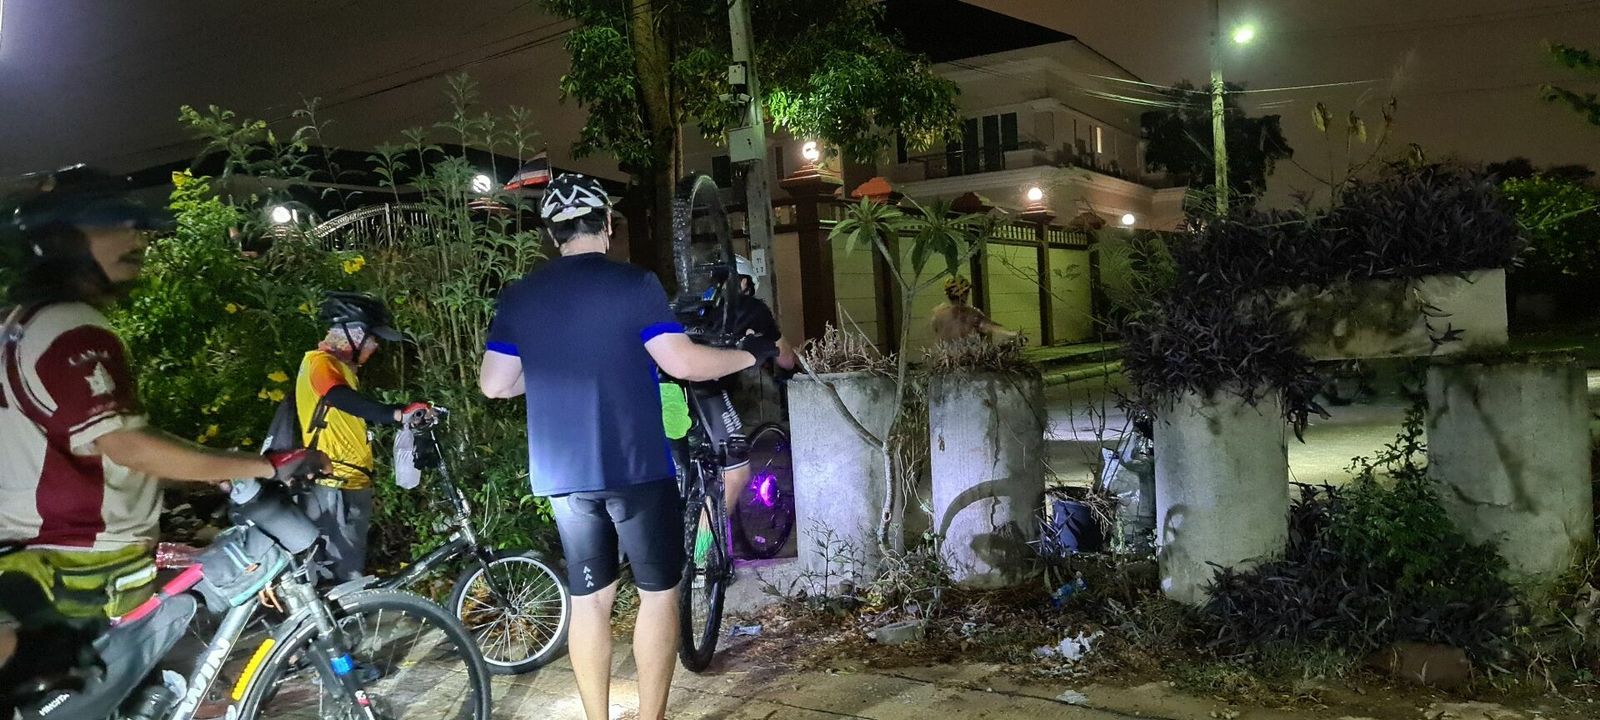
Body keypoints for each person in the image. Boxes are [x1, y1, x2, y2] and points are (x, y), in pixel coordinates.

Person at [0, 166, 321, 700]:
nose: (138, 238)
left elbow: (105, 442)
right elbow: (128, 447)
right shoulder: (72, 327)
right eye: (114, 223)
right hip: (86, 565)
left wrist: (214, 466)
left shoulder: (18, 323)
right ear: (62, 240)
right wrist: (264, 464)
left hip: (31, 559)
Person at [477, 173, 775, 720]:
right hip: (635, 464)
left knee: (590, 599)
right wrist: (751, 355)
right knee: (657, 594)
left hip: (563, 474)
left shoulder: (520, 296)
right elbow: (683, 363)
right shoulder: (635, 284)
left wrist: (549, 368)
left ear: (553, 234)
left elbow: (495, 384)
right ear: (608, 226)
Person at [295, 292, 430, 581]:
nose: (376, 345)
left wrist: (403, 413)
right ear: (351, 333)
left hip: (349, 483)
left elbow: (352, 411)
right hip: (335, 486)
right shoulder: (321, 363)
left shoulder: (341, 369)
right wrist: (395, 414)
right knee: (340, 575)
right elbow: (339, 397)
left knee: (346, 569)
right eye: (372, 337)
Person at [931, 275, 1018, 343]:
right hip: (967, 357)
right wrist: (1012, 334)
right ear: (963, 294)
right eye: (967, 291)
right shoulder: (971, 314)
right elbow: (990, 327)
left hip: (945, 358)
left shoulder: (938, 314)